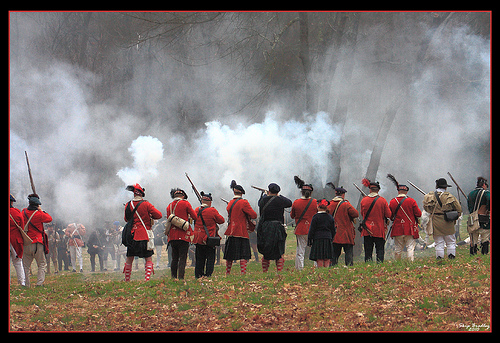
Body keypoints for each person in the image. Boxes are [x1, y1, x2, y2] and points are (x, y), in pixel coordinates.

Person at [123, 183, 163, 281]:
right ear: (141, 194)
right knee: (148, 258)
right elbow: (159, 215)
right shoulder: (146, 204)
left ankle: (127, 279)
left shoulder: (128, 204)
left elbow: (126, 219)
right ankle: (147, 279)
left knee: (129, 258)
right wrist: (148, 215)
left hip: (132, 235)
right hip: (143, 235)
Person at [423, 178, 462, 260]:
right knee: (451, 241)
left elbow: (426, 209)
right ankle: (451, 257)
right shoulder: (450, 197)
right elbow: (459, 210)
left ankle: (439, 258)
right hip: (448, 220)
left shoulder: (430, 196)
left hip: (436, 221)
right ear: (445, 187)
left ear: (437, 186)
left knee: (438, 242)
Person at [224, 180, 258, 275]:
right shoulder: (244, 203)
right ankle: (243, 273)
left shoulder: (230, 203)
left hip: (231, 231)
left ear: (234, 192)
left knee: (229, 255)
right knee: (244, 254)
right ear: (242, 193)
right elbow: (254, 215)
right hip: (242, 231)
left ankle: (228, 272)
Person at [257, 183, 292, 272]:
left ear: (269, 191)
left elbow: (259, 204)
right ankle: (279, 271)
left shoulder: (264, 200)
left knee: (266, 250)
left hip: (266, 227)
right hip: (278, 227)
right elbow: (289, 203)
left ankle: (265, 271)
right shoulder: (280, 200)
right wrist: (279, 196)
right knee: (279, 250)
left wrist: (265, 195)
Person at [386, 174, 422, 261]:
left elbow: (390, 216)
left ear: (398, 191)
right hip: (409, 228)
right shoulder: (411, 201)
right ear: (406, 192)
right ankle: (410, 263)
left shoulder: (392, 201)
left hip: (397, 228)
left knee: (398, 248)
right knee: (410, 247)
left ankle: (397, 263)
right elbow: (418, 214)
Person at [22, 194, 53, 287]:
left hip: (26, 242)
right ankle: (39, 283)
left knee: (26, 266)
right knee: (41, 264)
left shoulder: (23, 212)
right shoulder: (39, 214)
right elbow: (49, 218)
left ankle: (27, 284)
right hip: (37, 242)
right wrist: (41, 210)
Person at [193, 191, 225, 278]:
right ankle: (208, 275)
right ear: (210, 202)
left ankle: (198, 275)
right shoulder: (212, 210)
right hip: (209, 238)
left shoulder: (196, 210)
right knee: (210, 258)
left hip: (198, 238)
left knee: (199, 258)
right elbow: (221, 220)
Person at [166, 188, 196, 280]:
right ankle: (181, 278)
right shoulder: (185, 203)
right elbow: (194, 216)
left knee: (174, 258)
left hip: (172, 235)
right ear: (183, 196)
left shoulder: (169, 206)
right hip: (183, 235)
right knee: (183, 257)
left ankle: (173, 277)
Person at [359, 178, 391, 263]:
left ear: (370, 190)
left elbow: (362, 214)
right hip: (379, 229)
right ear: (378, 190)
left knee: (368, 251)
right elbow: (389, 215)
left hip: (367, 230)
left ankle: (368, 265)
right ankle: (380, 264)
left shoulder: (364, 200)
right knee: (380, 249)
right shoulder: (382, 200)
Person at [326, 184, 359, 266]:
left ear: (336, 194)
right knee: (348, 252)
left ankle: (333, 267)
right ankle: (349, 267)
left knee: (334, 254)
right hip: (346, 233)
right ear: (343, 195)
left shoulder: (329, 204)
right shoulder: (346, 204)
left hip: (334, 233)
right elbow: (356, 214)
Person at [290, 176, 317, 270]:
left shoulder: (296, 202)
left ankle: (300, 269)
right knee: (315, 250)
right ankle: (316, 267)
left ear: (301, 192)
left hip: (301, 229)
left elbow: (292, 216)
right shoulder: (315, 202)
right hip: (313, 229)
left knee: (300, 251)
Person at [308, 199, 336, 267]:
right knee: (327, 258)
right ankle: (326, 271)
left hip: (318, 238)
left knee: (319, 258)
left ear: (318, 207)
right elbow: (333, 230)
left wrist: (310, 239)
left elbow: (312, 230)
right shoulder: (330, 217)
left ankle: (320, 272)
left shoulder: (315, 217)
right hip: (328, 238)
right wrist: (331, 238)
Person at [467, 176, 490, 255]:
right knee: (485, 237)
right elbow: (490, 200)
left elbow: (469, 207)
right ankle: (484, 253)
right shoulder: (486, 193)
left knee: (473, 238)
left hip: (472, 218)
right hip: (483, 218)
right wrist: (488, 209)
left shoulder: (470, 193)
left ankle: (473, 253)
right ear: (484, 185)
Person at [10, 194, 25, 286]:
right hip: (15, 240)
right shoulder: (16, 212)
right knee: (18, 262)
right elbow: (22, 227)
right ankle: (22, 281)